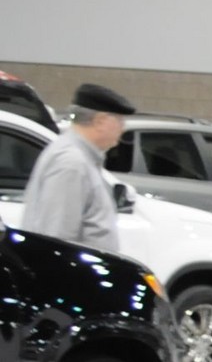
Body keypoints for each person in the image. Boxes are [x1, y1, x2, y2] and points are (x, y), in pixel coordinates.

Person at [18, 82, 133, 253]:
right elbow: (56, 241)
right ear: (101, 121)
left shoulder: (77, 157)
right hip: (71, 277)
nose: (122, 128)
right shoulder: (71, 163)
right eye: (119, 121)